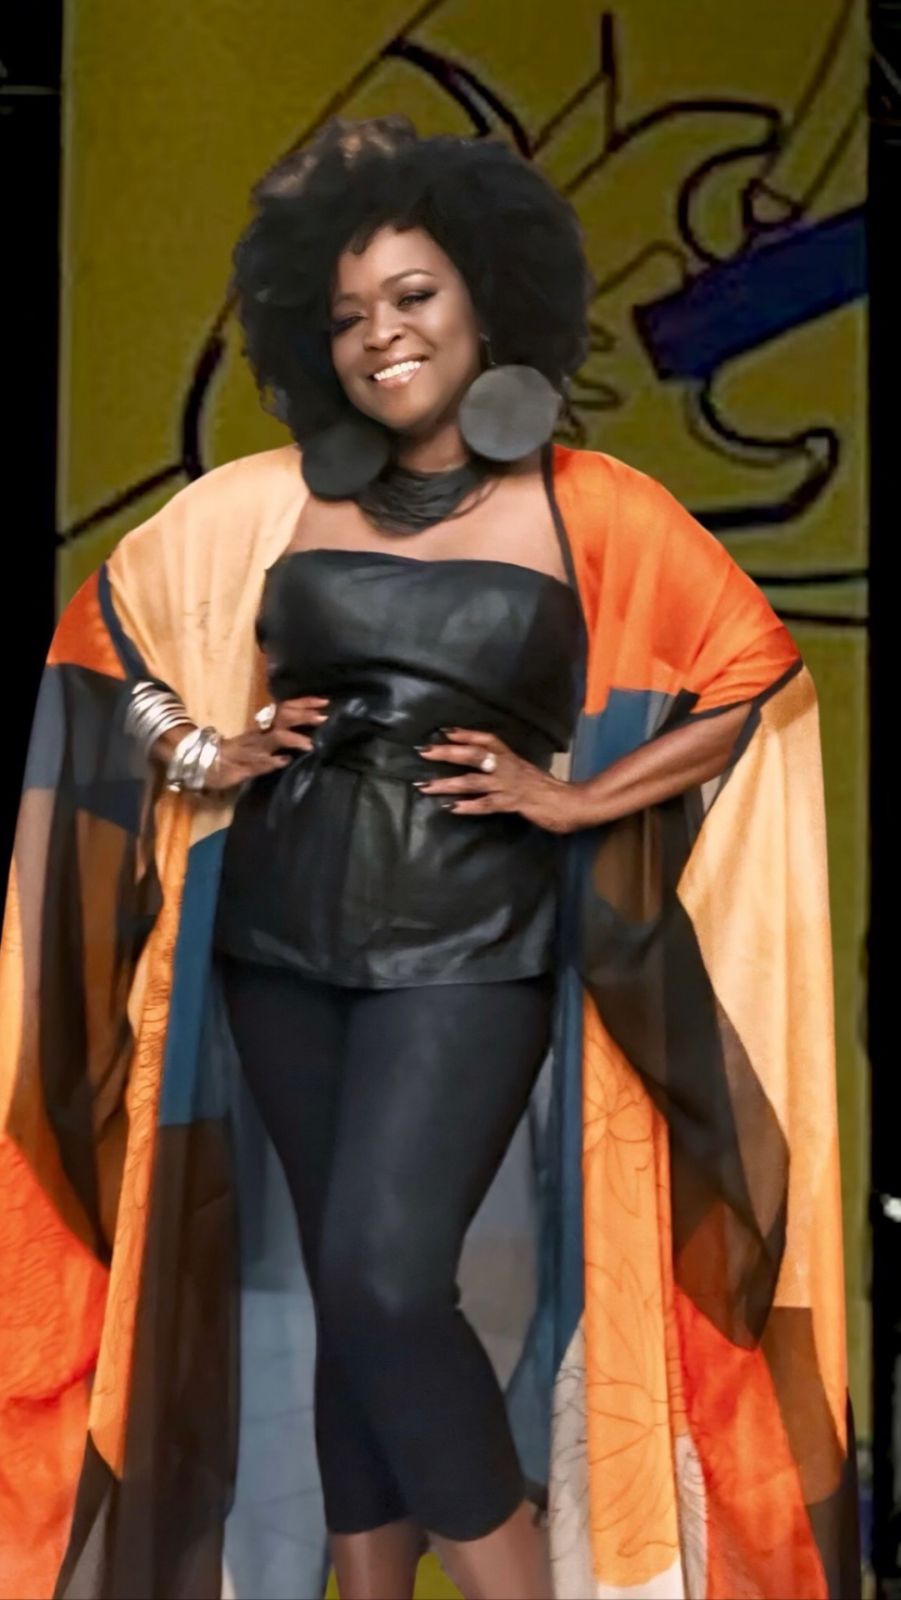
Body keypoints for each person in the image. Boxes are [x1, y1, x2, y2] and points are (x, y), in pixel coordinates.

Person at [0, 116, 858, 1600]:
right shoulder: (270, 499)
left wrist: (581, 802)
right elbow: (110, 637)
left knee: (388, 1279)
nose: (379, 335)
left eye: (411, 295)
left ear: (485, 300)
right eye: (346, 316)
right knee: (356, 1300)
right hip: (277, 931)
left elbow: (747, 676)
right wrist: (200, 750)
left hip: (478, 942)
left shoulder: (595, 505)